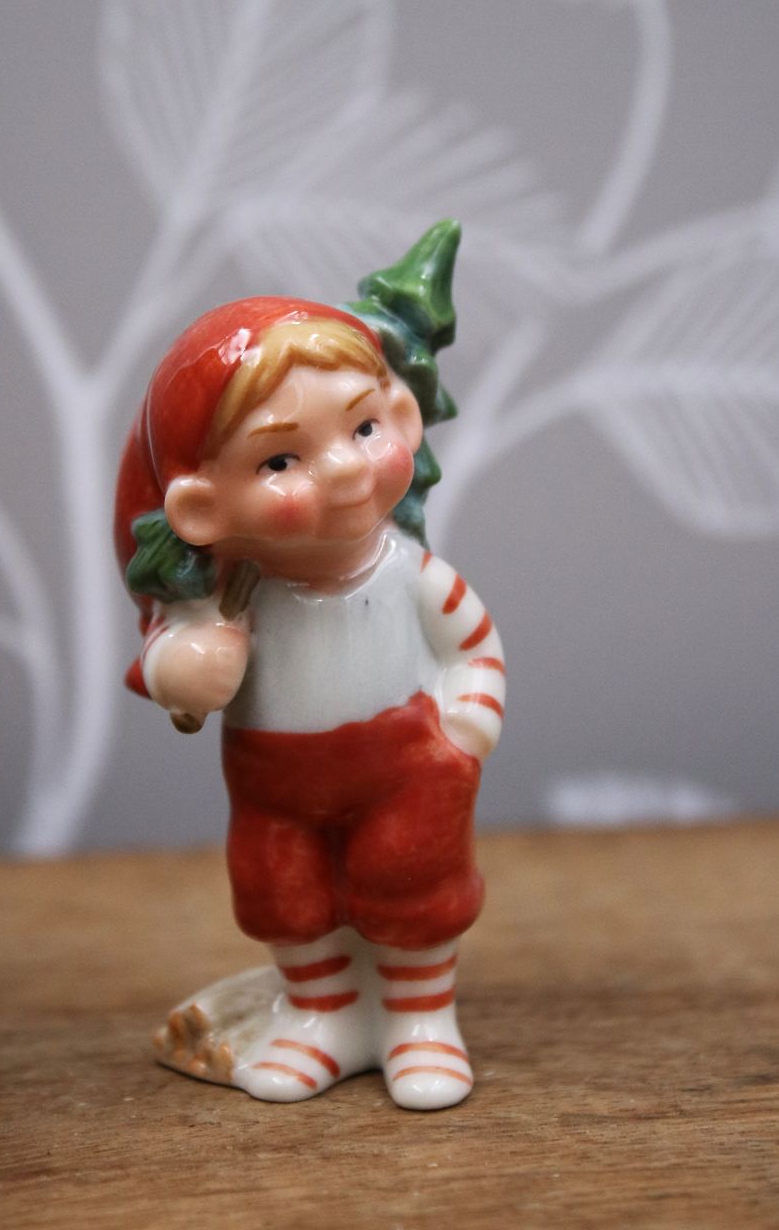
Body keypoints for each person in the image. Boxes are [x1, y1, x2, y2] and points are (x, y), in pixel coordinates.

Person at [114, 244, 505, 1111]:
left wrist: (467, 726)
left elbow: (474, 647)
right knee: (283, 895)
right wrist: (189, 664)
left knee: (417, 891)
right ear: (201, 509)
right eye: (280, 461)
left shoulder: (411, 575)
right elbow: (172, 665)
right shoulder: (237, 594)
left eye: (363, 429)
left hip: (406, 766)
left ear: (401, 419)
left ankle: (422, 1022)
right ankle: (321, 1016)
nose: (344, 468)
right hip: (274, 786)